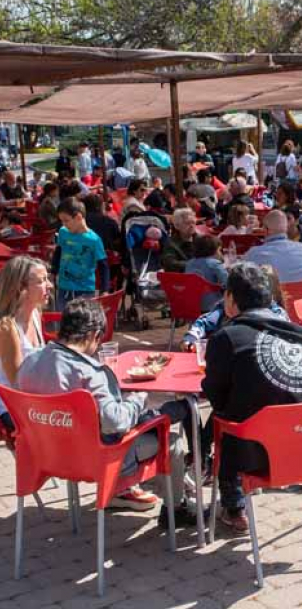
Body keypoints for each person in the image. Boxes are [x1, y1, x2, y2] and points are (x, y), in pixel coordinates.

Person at [201, 262, 302, 532]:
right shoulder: (301, 337)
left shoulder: (227, 338)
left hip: (258, 458)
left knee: (225, 420)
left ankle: (234, 506)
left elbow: (216, 397)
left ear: (230, 298)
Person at [17, 299, 200, 523]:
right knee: (171, 442)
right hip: (97, 459)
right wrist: (138, 398)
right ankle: (175, 510)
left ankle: (162, 420)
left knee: (154, 418)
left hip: (47, 455)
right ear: (94, 335)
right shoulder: (89, 374)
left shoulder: (29, 363)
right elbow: (116, 423)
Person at [0, 256, 50, 435]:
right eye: (41, 281)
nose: (50, 285)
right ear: (21, 288)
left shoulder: (35, 313)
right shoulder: (7, 327)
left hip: (33, 398)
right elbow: (17, 384)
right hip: (11, 406)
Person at [52, 197, 109, 309]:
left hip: (85, 290)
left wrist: (105, 290)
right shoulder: (63, 232)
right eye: (61, 221)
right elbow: (59, 251)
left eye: (66, 220)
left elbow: (103, 265)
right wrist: (53, 270)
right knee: (62, 317)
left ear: (78, 217)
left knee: (83, 318)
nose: (63, 224)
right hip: (64, 288)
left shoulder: (94, 240)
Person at [245, 210, 302, 285]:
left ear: (266, 230)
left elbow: (244, 279)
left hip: (272, 292)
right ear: (286, 228)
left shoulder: (254, 253)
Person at [185, 234, 228, 312]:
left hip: (193, 304)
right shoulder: (215, 264)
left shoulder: (189, 263)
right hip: (212, 305)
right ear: (214, 251)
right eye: (219, 250)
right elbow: (227, 283)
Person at [161, 208, 197, 272]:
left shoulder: (202, 240)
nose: (192, 226)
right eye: (187, 223)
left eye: (193, 222)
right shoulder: (170, 244)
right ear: (177, 226)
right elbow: (170, 264)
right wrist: (195, 264)